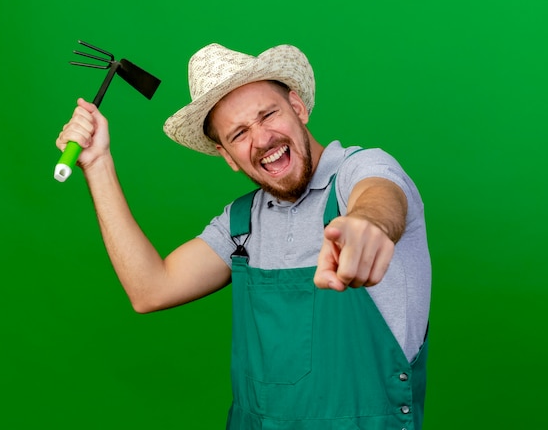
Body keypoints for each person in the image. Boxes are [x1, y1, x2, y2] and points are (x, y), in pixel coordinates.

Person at [57, 43, 432, 429]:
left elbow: (380, 197)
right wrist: (98, 163)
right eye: (239, 134)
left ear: (298, 108)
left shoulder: (360, 171)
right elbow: (150, 289)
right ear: (228, 157)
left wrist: (367, 225)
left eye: (269, 114)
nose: (262, 138)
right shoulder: (241, 224)